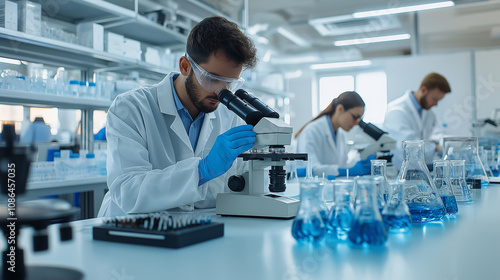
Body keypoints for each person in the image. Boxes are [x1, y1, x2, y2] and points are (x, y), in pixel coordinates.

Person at [98, 16, 258, 217]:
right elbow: (128, 191)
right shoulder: (131, 108)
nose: (221, 92)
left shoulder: (230, 116)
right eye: (212, 79)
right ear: (185, 66)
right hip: (130, 232)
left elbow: (240, 182)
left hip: (194, 230)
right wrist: (202, 170)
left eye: (229, 83)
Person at [295, 91, 372, 177]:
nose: (357, 123)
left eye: (360, 119)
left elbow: (342, 165)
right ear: (340, 109)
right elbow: (310, 169)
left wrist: (360, 163)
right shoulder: (311, 131)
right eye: (355, 117)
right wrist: (346, 171)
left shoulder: (341, 134)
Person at [383, 72, 451, 169]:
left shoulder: (429, 113)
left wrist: (448, 141)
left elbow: (437, 132)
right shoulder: (396, 111)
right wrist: (436, 148)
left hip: (421, 168)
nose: (436, 104)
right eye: (434, 99)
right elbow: (410, 145)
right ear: (423, 90)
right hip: (400, 170)